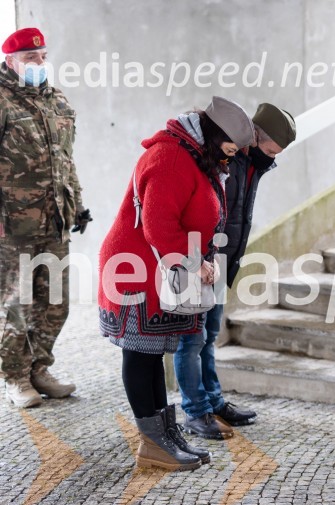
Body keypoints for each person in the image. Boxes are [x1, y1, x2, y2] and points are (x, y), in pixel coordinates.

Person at [98, 96, 255, 470]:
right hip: (133, 270)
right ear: (214, 137)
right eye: (229, 150)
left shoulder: (194, 155)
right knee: (139, 353)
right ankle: (153, 444)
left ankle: (165, 435)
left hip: (156, 268)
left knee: (153, 353)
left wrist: (201, 260)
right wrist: (192, 263)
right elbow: (159, 225)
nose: (230, 158)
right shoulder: (169, 159)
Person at [175, 102, 296, 439]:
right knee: (191, 339)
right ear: (254, 137)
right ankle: (195, 412)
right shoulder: (224, 155)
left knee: (209, 336)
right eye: (270, 151)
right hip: (201, 260)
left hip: (223, 259)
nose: (272, 159)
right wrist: (199, 259)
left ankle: (212, 402)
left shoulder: (253, 164)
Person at [0, 28, 89, 408]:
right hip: (13, 226)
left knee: (55, 302)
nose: (39, 64)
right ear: (10, 62)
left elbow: (65, 161)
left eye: (43, 56)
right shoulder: (3, 101)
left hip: (55, 220)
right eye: (30, 58)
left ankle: (39, 368)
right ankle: (15, 378)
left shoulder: (57, 100)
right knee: (17, 306)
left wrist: (78, 204)